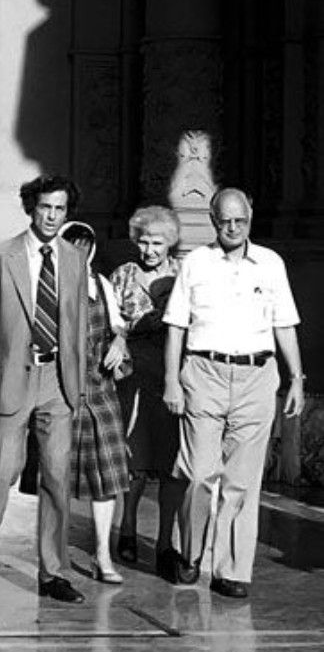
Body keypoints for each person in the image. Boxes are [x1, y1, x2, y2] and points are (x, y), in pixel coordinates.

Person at [162, 187, 304, 598]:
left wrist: (297, 377)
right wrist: (172, 380)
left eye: (240, 220)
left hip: (257, 375)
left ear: (251, 216)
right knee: (199, 474)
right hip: (204, 371)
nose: (233, 228)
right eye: (225, 221)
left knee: (242, 481)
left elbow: (284, 323)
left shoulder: (271, 265)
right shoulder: (196, 263)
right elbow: (176, 325)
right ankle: (190, 555)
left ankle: (231, 570)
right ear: (212, 219)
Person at [0, 175, 89, 604]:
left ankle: (53, 572)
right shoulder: (1, 256)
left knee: (55, 475)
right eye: (45, 208)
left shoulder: (74, 259)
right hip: (14, 375)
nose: (52, 216)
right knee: (2, 470)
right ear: (31, 208)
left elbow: (79, 329)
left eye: (60, 209)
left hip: (58, 380)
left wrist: (79, 388)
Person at [109, 206, 187, 578]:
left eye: (157, 242)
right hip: (133, 373)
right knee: (134, 460)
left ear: (169, 243)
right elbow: (111, 322)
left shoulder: (184, 274)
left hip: (173, 377)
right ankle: (126, 527)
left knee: (172, 462)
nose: (149, 249)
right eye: (143, 241)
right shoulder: (122, 275)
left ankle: (165, 541)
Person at [59, 221, 131, 585]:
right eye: (73, 245)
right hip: (62, 392)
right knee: (56, 477)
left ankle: (103, 553)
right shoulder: (51, 285)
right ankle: (54, 555)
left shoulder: (101, 285)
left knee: (106, 477)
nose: (81, 252)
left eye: (86, 245)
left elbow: (117, 325)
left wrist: (119, 341)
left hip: (100, 391)